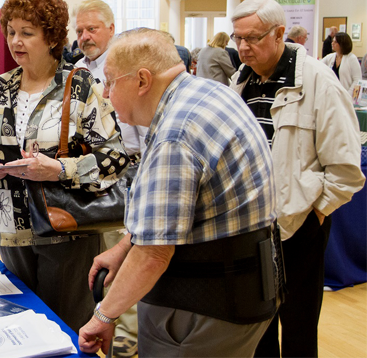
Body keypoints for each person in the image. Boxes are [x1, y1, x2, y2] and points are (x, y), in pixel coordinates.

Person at [79, 27, 279, 358]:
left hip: (204, 303)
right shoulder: (211, 94)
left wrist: (103, 316)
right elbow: (179, 209)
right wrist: (125, 247)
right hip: (243, 286)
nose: (105, 94)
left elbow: (154, 253)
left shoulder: (176, 134)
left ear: (142, 81)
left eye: (111, 82)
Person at [0, 0, 128, 332]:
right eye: (11, 32)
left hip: (65, 231)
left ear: (52, 36)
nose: (15, 41)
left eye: (27, 33)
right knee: (22, 329)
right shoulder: (0, 86)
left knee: (63, 328)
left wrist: (58, 169)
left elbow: (114, 158)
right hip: (10, 230)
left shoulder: (80, 84)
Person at [229, 0, 365, 358]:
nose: (243, 47)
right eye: (237, 38)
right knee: (257, 330)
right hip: (250, 228)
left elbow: (346, 169)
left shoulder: (319, 82)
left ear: (278, 34)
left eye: (253, 38)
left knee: (299, 330)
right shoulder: (240, 82)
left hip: (298, 227)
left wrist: (314, 214)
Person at [72, 0, 143, 357]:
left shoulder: (127, 68)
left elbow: (145, 131)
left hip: (130, 176)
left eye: (92, 29)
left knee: (124, 274)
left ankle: (125, 350)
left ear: (112, 29)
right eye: (80, 30)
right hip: (91, 183)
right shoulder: (76, 72)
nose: (85, 36)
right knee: (99, 271)